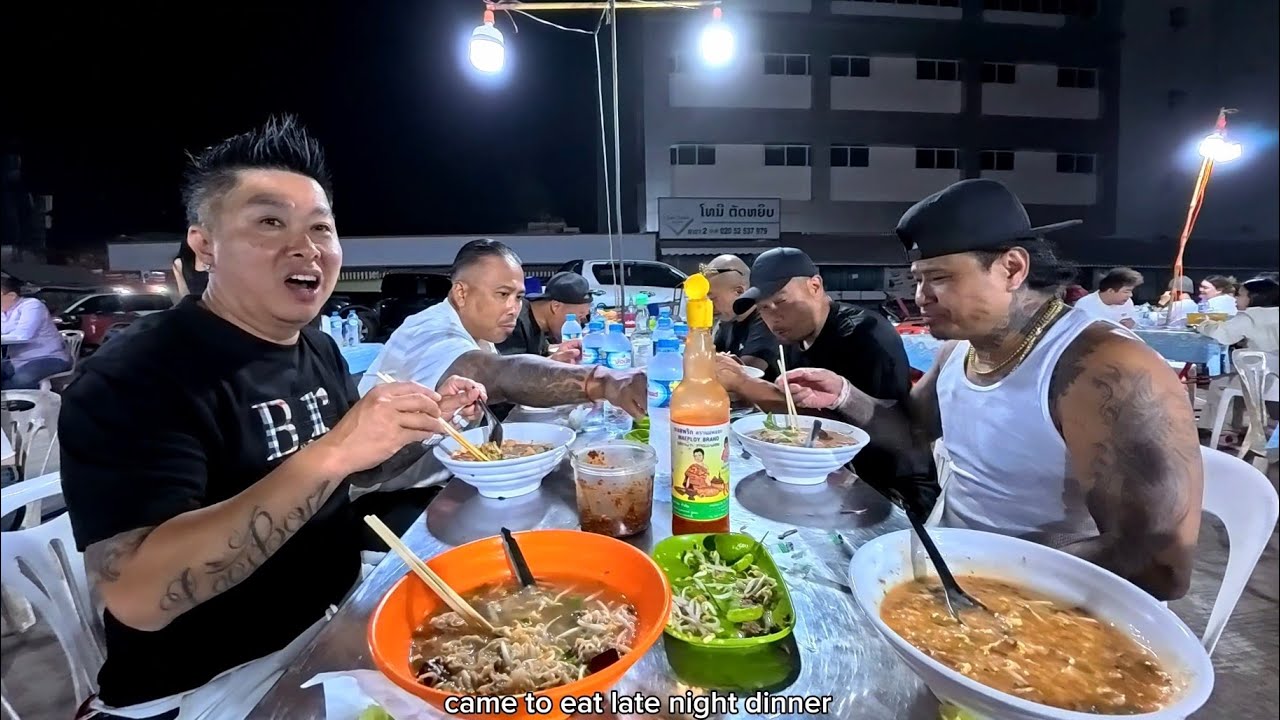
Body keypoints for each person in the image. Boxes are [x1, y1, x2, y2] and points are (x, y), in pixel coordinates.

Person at [58, 117, 484, 719]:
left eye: (320, 228)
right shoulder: (136, 376)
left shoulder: (316, 348)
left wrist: (417, 428)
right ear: (203, 244)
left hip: (329, 635)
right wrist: (335, 449)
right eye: (269, 222)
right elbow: (139, 595)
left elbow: (344, 477)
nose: (305, 247)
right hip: (206, 688)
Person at [780, 179, 1202, 601]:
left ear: (1012, 269)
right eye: (918, 280)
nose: (921, 296)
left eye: (939, 278)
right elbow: (913, 436)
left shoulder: (1105, 368)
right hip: (948, 567)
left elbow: (1159, 563)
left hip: (1045, 600)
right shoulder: (958, 348)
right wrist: (844, 395)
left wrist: (983, 567)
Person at [711, 247, 934, 514]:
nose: (773, 318)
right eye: (764, 309)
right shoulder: (793, 339)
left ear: (815, 286)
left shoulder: (865, 335)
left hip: (892, 493)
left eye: (781, 302)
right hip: (828, 480)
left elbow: (886, 432)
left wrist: (745, 384)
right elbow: (803, 415)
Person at [361, 239, 646, 416]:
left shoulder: (479, 332)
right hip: (390, 496)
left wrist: (550, 364)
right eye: (502, 294)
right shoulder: (431, 330)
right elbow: (494, 374)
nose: (514, 307)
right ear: (461, 293)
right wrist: (604, 382)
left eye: (518, 297)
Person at [703, 254, 780, 380]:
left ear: (739, 291)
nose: (710, 305)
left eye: (713, 298)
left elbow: (748, 375)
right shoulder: (728, 320)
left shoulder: (766, 321)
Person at [496, 271, 592, 363]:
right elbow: (509, 370)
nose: (579, 325)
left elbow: (542, 350)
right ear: (555, 307)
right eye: (578, 318)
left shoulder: (538, 321)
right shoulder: (514, 321)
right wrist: (552, 361)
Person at [1, 275, 73, 389]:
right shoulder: (3, 312)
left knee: (21, 380)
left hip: (48, 357)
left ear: (11, 296)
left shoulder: (32, 305)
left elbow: (23, 336)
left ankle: (27, 404)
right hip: (18, 360)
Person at [1197, 276, 1279, 354]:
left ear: (1254, 297)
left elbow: (1223, 335)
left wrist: (1204, 324)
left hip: (1261, 365)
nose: (1235, 298)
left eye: (1239, 295)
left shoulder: (1248, 318)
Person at [1073, 267, 1143, 328]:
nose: (1130, 295)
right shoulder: (1084, 305)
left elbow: (1135, 322)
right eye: (1126, 292)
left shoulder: (1127, 302)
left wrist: (1131, 323)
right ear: (1110, 291)